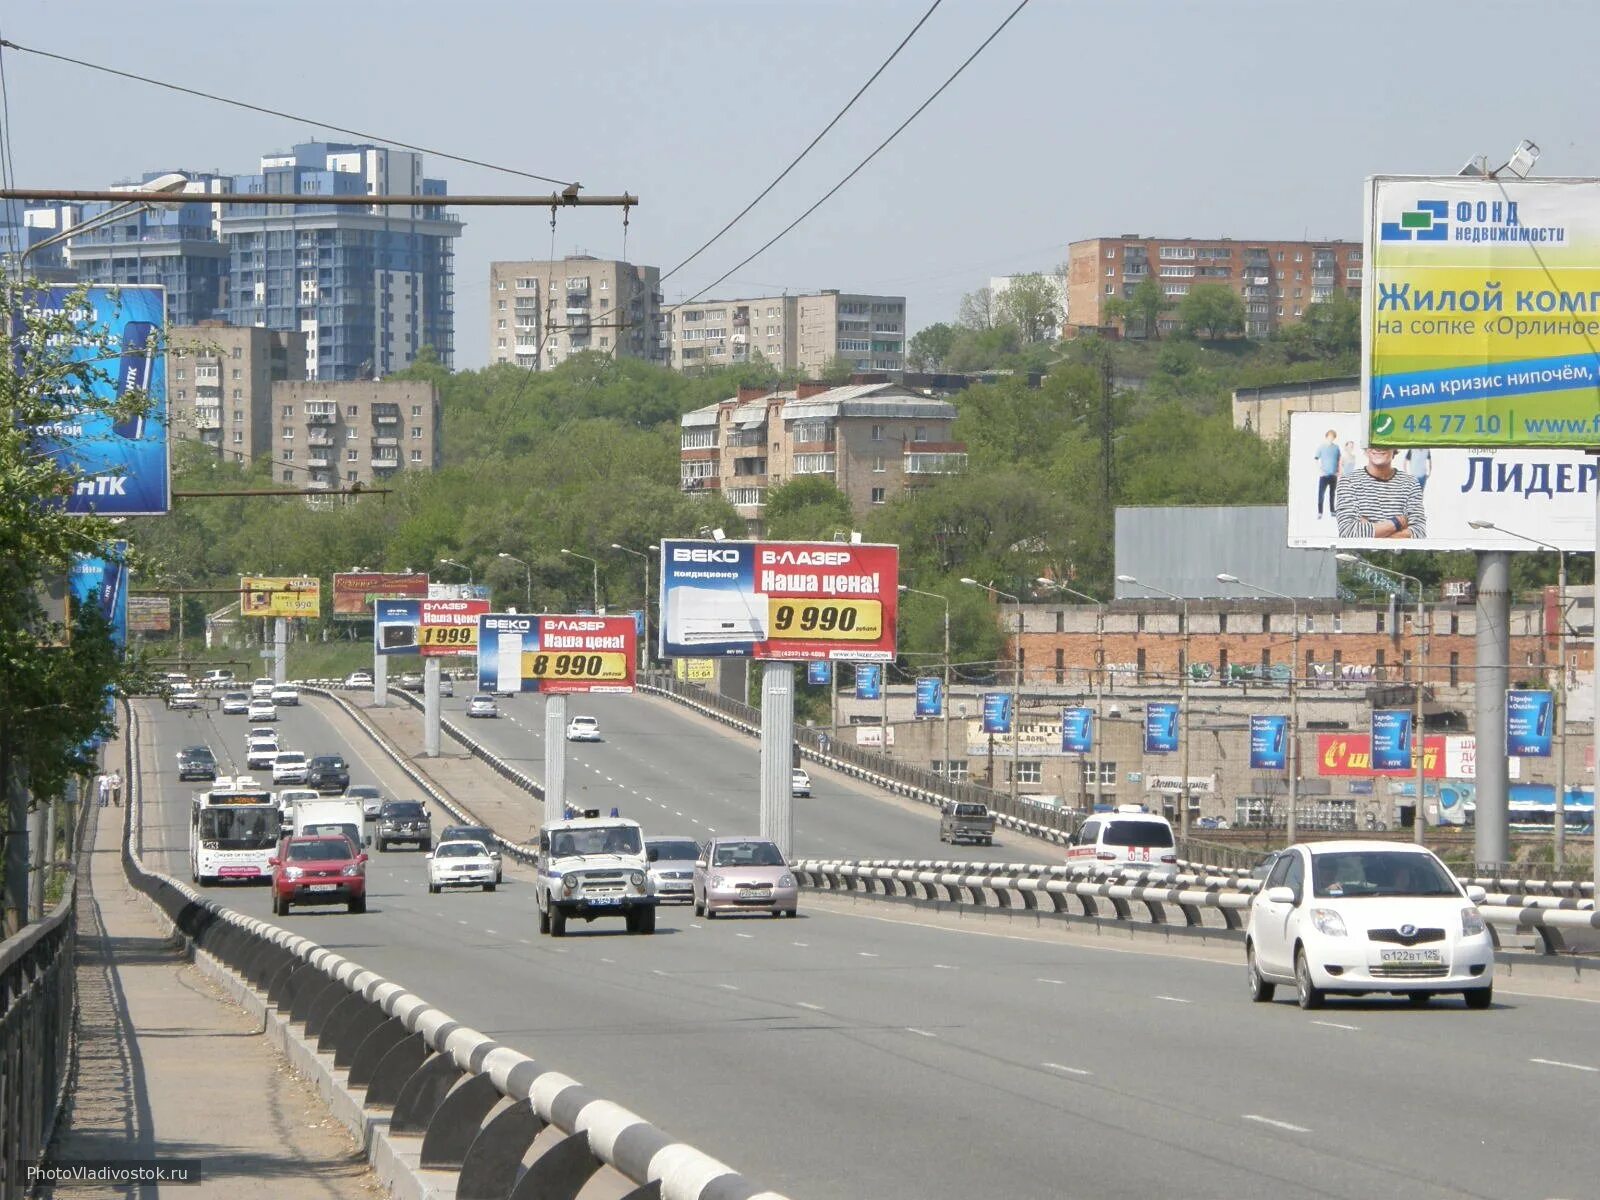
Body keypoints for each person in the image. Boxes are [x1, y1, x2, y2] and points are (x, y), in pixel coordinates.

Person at [1336, 445, 1427, 540]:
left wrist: (1370, 530)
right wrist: (1397, 523)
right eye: (1372, 443)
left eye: (1384, 443)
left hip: (1401, 555)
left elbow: (1419, 533)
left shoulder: (1411, 483)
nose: (1378, 448)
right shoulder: (1348, 482)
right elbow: (1348, 532)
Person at [1314, 429, 1341, 517]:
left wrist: (1338, 471)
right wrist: (1320, 470)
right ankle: (1320, 512)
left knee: (1332, 494)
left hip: (1333, 475)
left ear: (1334, 438)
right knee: (1321, 494)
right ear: (1326, 437)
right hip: (1324, 475)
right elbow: (1316, 459)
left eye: (1333, 436)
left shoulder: (1336, 447)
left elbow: (1339, 460)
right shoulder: (1321, 447)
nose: (1331, 438)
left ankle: (1332, 511)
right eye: (1329, 436)